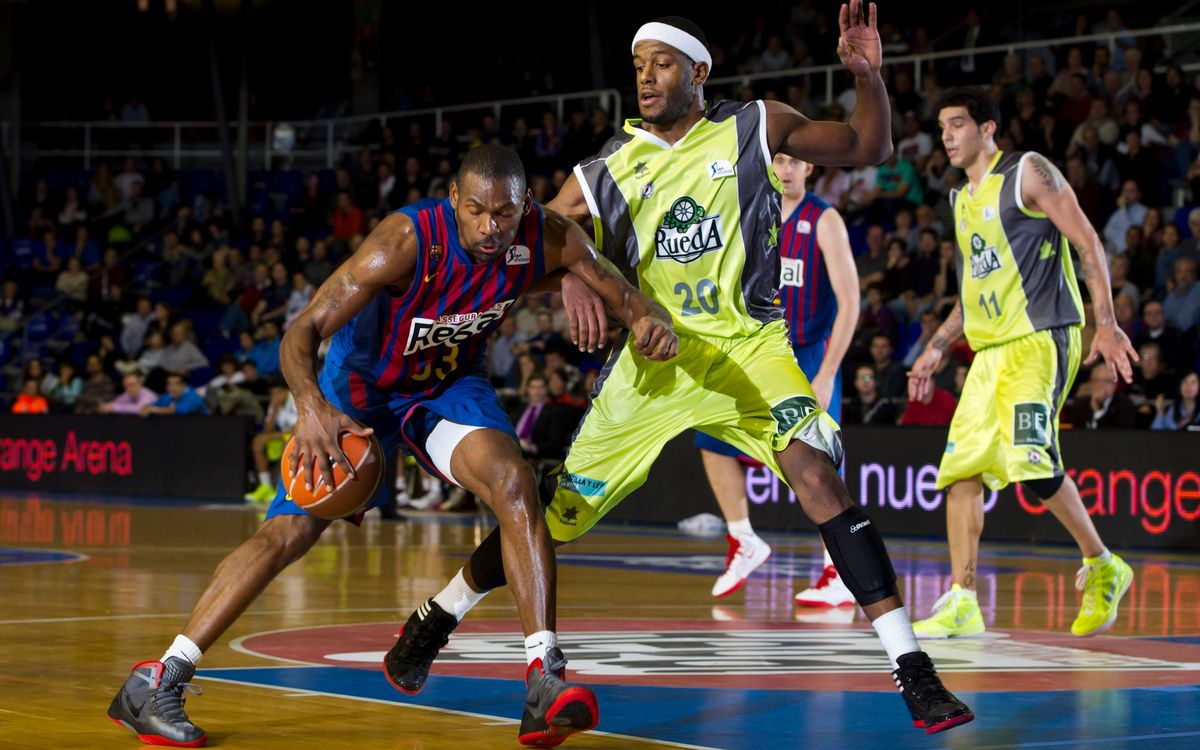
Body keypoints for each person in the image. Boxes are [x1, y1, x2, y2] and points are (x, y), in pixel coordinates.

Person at [396, 10, 973, 735]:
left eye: (661, 63)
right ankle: (439, 614)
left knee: (818, 475)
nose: (645, 76)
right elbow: (529, 245)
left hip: (750, 348)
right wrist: (572, 276)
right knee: (556, 518)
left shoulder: (755, 126)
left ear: (698, 72)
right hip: (653, 364)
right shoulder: (606, 169)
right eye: (638, 64)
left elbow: (869, 144)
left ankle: (913, 670)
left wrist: (867, 77)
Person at [107, 145, 676, 749]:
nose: (490, 226)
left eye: (504, 213)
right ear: (454, 199)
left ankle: (543, 677)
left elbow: (624, 293)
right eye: (476, 210)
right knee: (289, 534)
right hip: (360, 392)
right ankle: (159, 678)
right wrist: (311, 409)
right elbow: (302, 329)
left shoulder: (548, 235)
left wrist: (644, 319)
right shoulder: (405, 240)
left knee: (514, 482)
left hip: (447, 386)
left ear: (525, 205)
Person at [908, 88, 1138, 641]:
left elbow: (1087, 242)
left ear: (987, 127)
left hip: (1039, 340)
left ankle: (1103, 563)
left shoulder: (1027, 172)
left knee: (1031, 462)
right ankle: (963, 600)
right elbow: (972, 291)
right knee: (960, 473)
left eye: (957, 124)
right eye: (942, 127)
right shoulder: (959, 200)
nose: (947, 136)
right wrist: (936, 346)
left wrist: (1105, 323)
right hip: (988, 353)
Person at [691, 153, 860, 606]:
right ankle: (743, 538)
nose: (786, 170)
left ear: (810, 168)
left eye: (795, 162)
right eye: (779, 160)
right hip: (760, 350)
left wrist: (826, 373)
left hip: (808, 354)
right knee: (711, 434)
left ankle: (839, 571)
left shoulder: (823, 220)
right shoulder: (751, 211)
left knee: (819, 466)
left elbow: (850, 302)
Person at [141, 373, 209, 416]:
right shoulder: (168, 396)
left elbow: (184, 410)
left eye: (176, 384)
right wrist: (146, 407)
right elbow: (158, 404)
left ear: (184, 385)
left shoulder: (192, 396)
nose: (172, 387)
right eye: (169, 384)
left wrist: (154, 410)